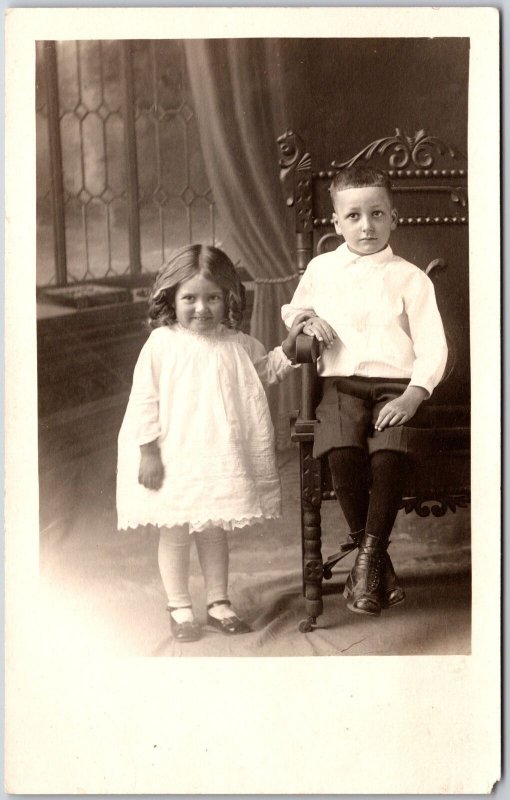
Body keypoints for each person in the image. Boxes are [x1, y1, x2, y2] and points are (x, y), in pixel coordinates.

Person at [117, 244, 307, 642]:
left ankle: (219, 602)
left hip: (218, 454)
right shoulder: (162, 344)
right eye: (190, 298)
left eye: (212, 298)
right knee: (175, 529)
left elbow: (265, 371)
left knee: (214, 528)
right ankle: (179, 606)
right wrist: (148, 451)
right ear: (171, 297)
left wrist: (288, 350)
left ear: (229, 299)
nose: (201, 308)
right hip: (173, 453)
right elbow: (144, 399)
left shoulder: (236, 343)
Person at [281, 165, 448, 617]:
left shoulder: (411, 277)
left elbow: (433, 345)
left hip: (396, 386)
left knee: (389, 450)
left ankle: (368, 559)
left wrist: (414, 394)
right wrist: (304, 321)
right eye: (353, 216)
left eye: (377, 214)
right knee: (341, 449)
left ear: (394, 217)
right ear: (336, 223)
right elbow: (293, 310)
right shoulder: (322, 268)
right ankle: (376, 564)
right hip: (340, 385)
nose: (366, 225)